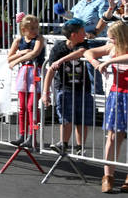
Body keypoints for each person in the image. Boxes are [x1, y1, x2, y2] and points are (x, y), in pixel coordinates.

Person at [42, 19, 102, 155]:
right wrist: (45, 93)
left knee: (83, 119)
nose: (85, 34)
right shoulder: (58, 48)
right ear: (73, 35)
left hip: (83, 88)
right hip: (65, 88)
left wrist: (62, 60)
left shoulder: (84, 44)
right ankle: (63, 144)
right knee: (66, 118)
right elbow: (51, 70)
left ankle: (81, 147)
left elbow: (81, 52)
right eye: (82, 31)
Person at [84, 22, 128, 193]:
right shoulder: (111, 47)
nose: (110, 40)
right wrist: (96, 63)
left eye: (112, 37)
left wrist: (109, 62)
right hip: (116, 95)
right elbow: (88, 52)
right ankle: (108, 176)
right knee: (112, 137)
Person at [6, 14, 46, 147]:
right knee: (22, 106)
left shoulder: (40, 39)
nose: (35, 31)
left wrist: (17, 60)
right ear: (24, 30)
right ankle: (22, 135)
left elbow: (34, 53)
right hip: (24, 74)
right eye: (32, 29)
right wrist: (21, 53)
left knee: (31, 106)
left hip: (36, 73)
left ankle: (32, 136)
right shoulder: (18, 41)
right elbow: (9, 58)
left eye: (36, 28)